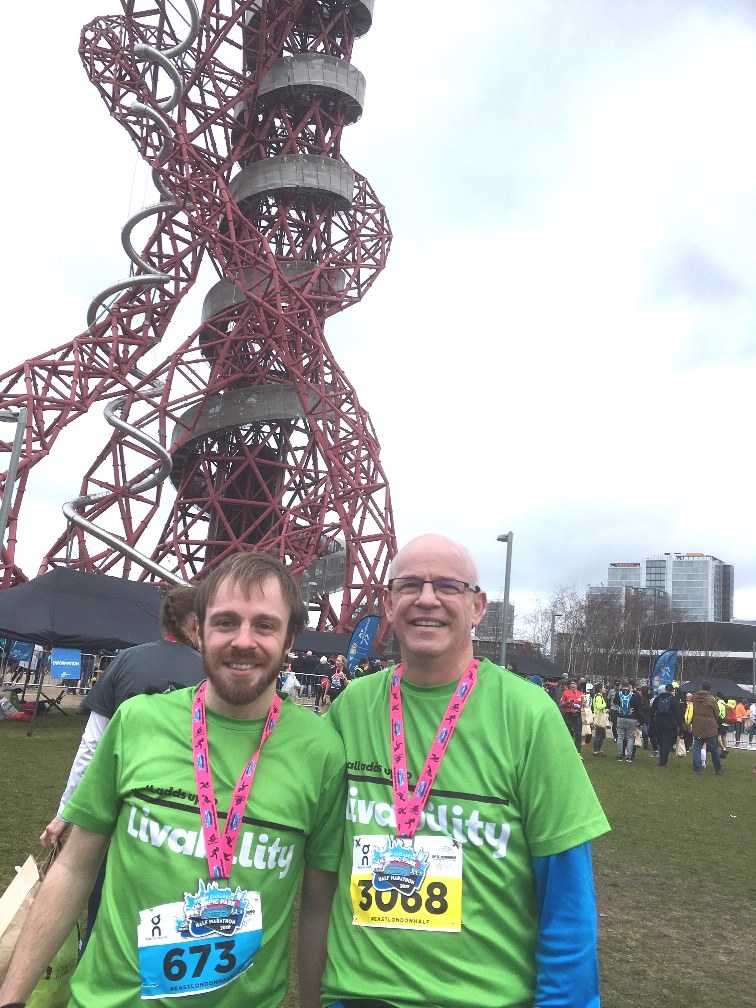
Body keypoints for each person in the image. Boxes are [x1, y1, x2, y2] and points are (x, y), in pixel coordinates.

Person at [0, 552, 346, 1008]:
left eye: (264, 625)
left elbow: (320, 903)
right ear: (198, 631)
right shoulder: (137, 721)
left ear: (289, 640)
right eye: (225, 622)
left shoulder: (321, 750)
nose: (243, 641)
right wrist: (12, 997)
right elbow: (74, 867)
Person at [321, 533, 610, 1008]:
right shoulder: (351, 708)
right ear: (390, 606)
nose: (426, 599)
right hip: (360, 997)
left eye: (447, 586)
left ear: (477, 608)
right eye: (409, 585)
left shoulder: (529, 715)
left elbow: (568, 901)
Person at [39, 586, 205, 952]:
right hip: (189, 821)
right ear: (197, 623)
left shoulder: (127, 660)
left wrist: (65, 813)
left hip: (120, 809)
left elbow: (92, 748)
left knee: (103, 901)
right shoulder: (212, 674)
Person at [691, 680, 725, 776]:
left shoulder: (695, 698)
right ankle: (718, 768)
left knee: (697, 748)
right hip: (710, 727)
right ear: (710, 688)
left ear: (701, 687)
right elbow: (717, 713)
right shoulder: (711, 699)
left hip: (697, 725)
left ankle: (697, 769)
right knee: (714, 749)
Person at [650, 684, 681, 767]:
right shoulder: (673, 700)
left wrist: (653, 721)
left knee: (660, 742)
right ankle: (663, 762)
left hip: (658, 722)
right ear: (672, 690)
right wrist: (680, 724)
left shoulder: (658, 698)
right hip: (669, 723)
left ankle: (661, 759)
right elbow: (677, 713)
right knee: (666, 743)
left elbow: (652, 710)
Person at [614, 679, 642, 761]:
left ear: (621, 686)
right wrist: (640, 720)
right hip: (631, 718)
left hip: (620, 717)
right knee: (630, 737)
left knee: (620, 736)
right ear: (629, 686)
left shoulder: (618, 694)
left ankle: (620, 754)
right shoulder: (634, 695)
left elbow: (615, 702)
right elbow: (638, 708)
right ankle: (629, 755)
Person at [559, 678, 584, 753]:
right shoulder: (565, 693)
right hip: (568, 715)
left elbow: (583, 705)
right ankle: (566, 750)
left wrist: (583, 704)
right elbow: (561, 704)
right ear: (569, 685)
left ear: (577, 685)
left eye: (574, 684)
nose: (573, 685)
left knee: (578, 734)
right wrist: (567, 702)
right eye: (571, 684)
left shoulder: (581, 694)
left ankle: (578, 752)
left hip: (577, 715)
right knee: (567, 733)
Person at [591, 683, 609, 756]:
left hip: (600, 716)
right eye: (603, 687)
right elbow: (598, 706)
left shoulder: (599, 696)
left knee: (601, 735)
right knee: (599, 734)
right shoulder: (598, 697)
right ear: (600, 689)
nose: (605, 689)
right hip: (598, 717)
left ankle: (598, 750)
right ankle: (596, 751)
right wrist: (605, 705)